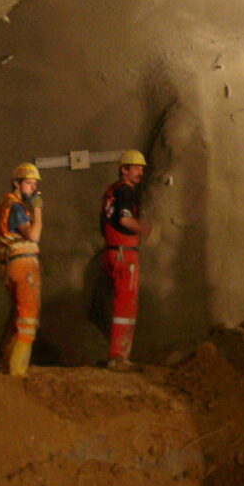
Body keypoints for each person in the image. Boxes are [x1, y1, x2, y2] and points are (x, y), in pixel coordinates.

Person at [99, 149, 150, 367]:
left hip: (112, 251)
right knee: (126, 304)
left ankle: (118, 355)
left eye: (141, 168)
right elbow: (125, 220)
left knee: (120, 302)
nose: (140, 172)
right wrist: (146, 229)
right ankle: (119, 357)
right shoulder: (125, 192)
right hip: (124, 253)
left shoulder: (111, 191)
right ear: (124, 170)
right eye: (136, 168)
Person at [0, 162, 44, 376]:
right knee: (27, 318)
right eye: (29, 183)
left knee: (18, 316)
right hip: (23, 265)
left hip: (12, 263)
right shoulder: (15, 207)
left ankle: (5, 365)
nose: (33, 188)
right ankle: (17, 371)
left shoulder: (8, 205)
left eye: (34, 184)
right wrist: (38, 209)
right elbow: (33, 235)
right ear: (17, 184)